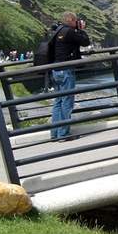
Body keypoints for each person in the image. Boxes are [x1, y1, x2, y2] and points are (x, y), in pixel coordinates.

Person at [48, 12, 91, 141]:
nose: (77, 22)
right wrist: (81, 29)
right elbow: (85, 42)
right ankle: (63, 134)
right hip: (66, 70)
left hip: (55, 69)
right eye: (76, 20)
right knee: (67, 101)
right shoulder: (70, 32)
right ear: (72, 20)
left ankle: (55, 133)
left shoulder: (58, 30)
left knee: (58, 101)